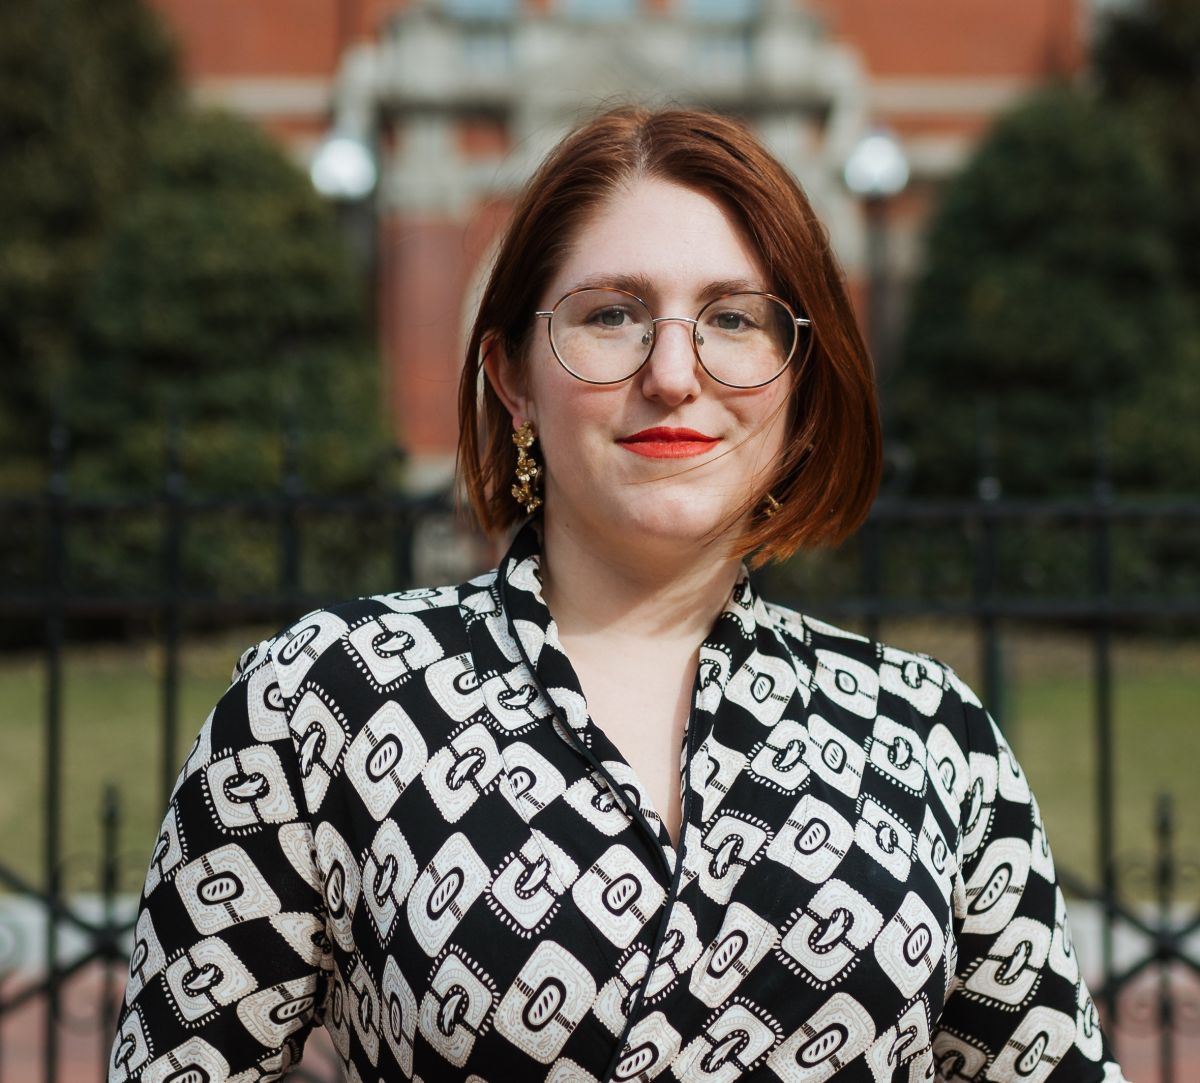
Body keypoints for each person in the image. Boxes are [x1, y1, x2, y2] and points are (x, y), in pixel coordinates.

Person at [109, 107, 1126, 1083]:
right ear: (512, 378)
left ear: (802, 383)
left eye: (733, 317)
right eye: (611, 315)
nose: (674, 373)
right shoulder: (328, 701)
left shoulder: (930, 739)